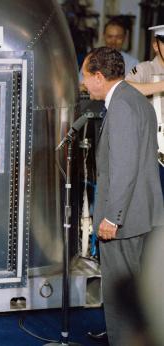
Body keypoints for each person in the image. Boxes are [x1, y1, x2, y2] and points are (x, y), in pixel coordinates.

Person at [81, 46, 164, 346]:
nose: (84, 84)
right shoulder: (134, 98)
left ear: (100, 77)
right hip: (142, 213)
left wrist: (111, 218)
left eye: (86, 77)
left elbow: (124, 168)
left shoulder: (122, 106)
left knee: (120, 294)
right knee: (139, 293)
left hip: (125, 219)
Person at [126, 24, 164, 197]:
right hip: (155, 147)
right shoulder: (145, 69)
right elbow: (124, 88)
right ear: (156, 46)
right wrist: (160, 85)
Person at [79, 17, 139, 84]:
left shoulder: (133, 63)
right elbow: (81, 83)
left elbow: (133, 87)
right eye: (110, 36)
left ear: (124, 38)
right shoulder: (90, 60)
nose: (113, 41)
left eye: (118, 37)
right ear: (104, 36)